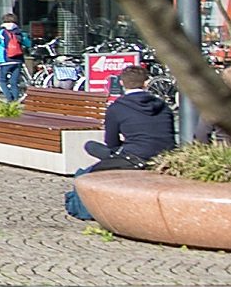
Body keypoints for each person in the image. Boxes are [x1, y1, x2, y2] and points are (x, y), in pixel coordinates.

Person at [66, 66, 179, 218]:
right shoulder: (163, 106)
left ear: (121, 83)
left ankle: (82, 209)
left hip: (134, 159)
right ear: (146, 84)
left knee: (86, 165)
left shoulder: (117, 107)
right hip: (164, 157)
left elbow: (111, 143)